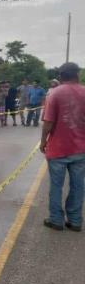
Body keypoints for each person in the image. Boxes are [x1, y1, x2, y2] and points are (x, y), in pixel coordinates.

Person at [41, 63, 85, 231]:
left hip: (58, 149)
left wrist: (43, 141)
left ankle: (56, 220)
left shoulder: (55, 93)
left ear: (60, 76)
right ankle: (75, 221)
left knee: (56, 186)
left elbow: (48, 122)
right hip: (81, 149)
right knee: (78, 185)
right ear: (77, 75)